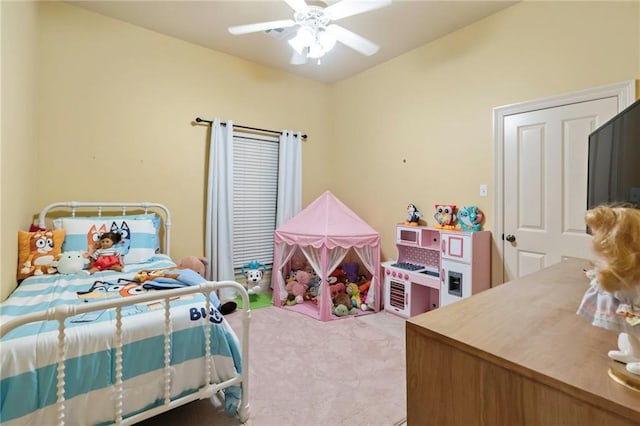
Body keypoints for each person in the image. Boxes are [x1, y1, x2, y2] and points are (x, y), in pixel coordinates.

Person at [577, 204, 640, 377]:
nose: (593, 238)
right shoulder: (619, 266)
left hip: (636, 311)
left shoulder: (634, 273)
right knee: (630, 331)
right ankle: (634, 354)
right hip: (630, 312)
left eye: (596, 233)